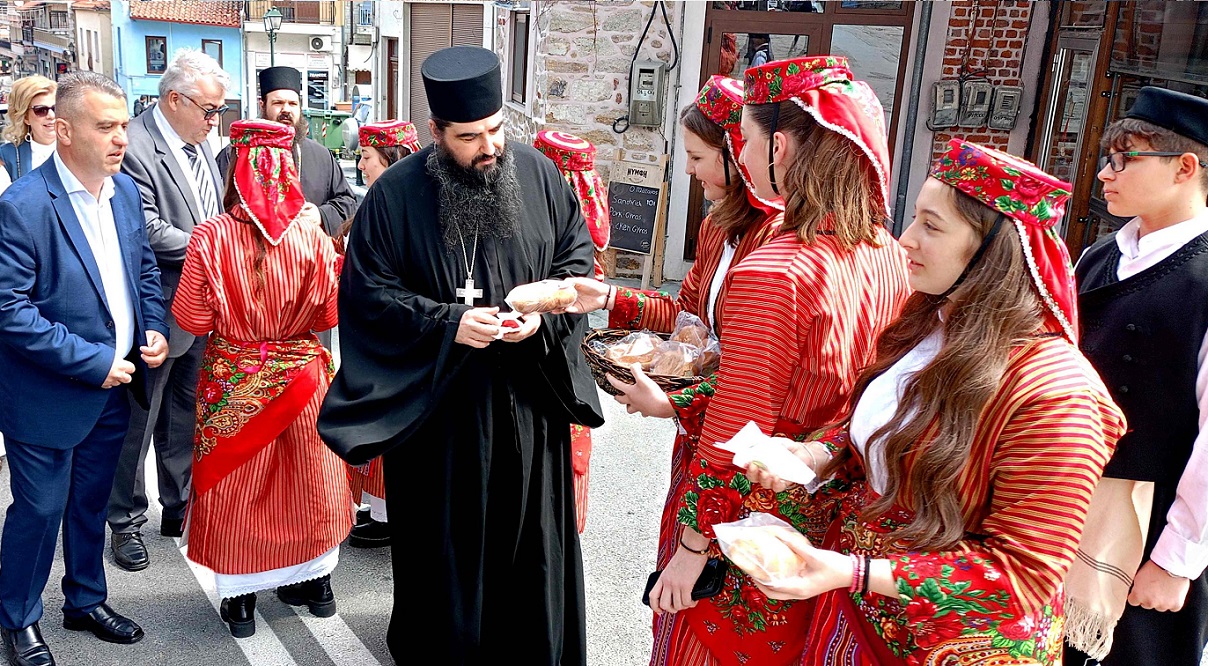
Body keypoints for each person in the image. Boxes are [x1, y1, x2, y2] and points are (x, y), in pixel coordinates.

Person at [742, 138, 1126, 666]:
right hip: (862, 609)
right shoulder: (928, 321)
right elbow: (874, 425)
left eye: (932, 225)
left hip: (951, 645)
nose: (905, 239)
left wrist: (852, 572)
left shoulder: (1056, 395)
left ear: (994, 252)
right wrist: (815, 456)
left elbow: (1022, 577)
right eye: (914, 218)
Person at [317, 45, 604, 665]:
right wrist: (450, 324)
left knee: (530, 546)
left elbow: (575, 262)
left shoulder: (540, 176)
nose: (489, 147)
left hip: (531, 402)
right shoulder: (393, 197)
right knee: (447, 550)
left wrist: (543, 312)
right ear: (436, 132)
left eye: (497, 129)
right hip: (441, 418)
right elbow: (367, 299)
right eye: (470, 137)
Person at [653, 56, 911, 666]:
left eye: (745, 138)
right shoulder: (885, 252)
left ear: (784, 147)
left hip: (756, 515)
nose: (739, 154)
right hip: (834, 509)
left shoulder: (779, 268)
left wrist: (693, 548)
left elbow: (732, 430)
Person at [558, 75, 785, 658]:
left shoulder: (778, 245)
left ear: (739, 156)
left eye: (697, 156)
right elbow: (686, 316)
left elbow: (756, 379)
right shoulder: (717, 228)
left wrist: (674, 403)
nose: (687, 170)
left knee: (719, 612)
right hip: (701, 436)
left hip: (743, 455)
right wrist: (606, 297)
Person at [0, 71, 168, 666]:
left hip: (115, 386)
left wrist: (153, 329)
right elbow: (8, 310)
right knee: (40, 509)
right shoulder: (21, 206)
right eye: (107, 127)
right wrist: (93, 359)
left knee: (91, 504)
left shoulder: (122, 193)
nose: (122, 139)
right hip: (48, 393)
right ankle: (18, 618)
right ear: (64, 131)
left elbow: (142, 270)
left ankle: (85, 600)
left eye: (124, 124)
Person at [172, 119, 349, 639]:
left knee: (237, 488)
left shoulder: (208, 238)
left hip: (232, 379)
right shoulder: (312, 238)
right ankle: (315, 588)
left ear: (235, 171)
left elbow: (192, 320)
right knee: (308, 483)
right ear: (288, 171)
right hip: (302, 379)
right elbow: (329, 315)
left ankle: (242, 601)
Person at [1065, 86, 1208, 666]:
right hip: (1069, 510)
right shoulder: (1097, 256)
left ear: (1185, 167)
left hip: (1153, 531)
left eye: (1125, 158)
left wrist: (1176, 560)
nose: (1105, 174)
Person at [107, 47, 229, 573]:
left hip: (200, 307)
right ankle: (124, 521)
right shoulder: (134, 144)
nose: (214, 120)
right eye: (208, 110)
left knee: (186, 415)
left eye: (218, 111)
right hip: (156, 306)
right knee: (139, 419)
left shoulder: (201, 143)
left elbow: (211, 210)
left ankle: (177, 507)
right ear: (174, 99)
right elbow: (149, 229)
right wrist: (219, 247)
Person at [338, 118, 421, 549]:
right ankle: (381, 509)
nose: (361, 165)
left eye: (367, 157)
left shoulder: (405, 206)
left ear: (389, 159)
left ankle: (397, 514)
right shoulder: (380, 200)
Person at [533, 129, 615, 535]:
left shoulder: (551, 212)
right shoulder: (587, 203)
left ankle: (552, 524)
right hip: (574, 328)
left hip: (560, 325)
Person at [216, 66, 357, 238]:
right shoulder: (235, 154)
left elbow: (348, 202)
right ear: (262, 105)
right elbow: (218, 206)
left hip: (308, 257)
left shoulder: (321, 156)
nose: (286, 110)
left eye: (292, 104)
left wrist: (321, 215)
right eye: (278, 103)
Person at [0, 75, 57, 190]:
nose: (51, 116)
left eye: (56, 108)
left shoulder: (79, 148)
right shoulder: (7, 156)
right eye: (41, 110)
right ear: (25, 117)